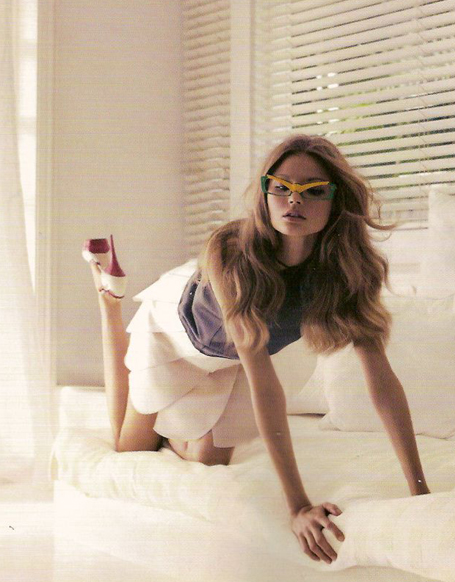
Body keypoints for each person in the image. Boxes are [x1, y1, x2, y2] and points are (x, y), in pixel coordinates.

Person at [84, 134, 435, 566]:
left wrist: (421, 491)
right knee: (128, 450)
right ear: (265, 193)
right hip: (176, 333)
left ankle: (175, 424)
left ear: (336, 200)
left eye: (313, 190)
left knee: (208, 462)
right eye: (281, 187)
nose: (294, 199)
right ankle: (109, 301)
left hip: (230, 356)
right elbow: (264, 383)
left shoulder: (346, 271)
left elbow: (382, 384)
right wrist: (298, 506)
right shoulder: (231, 251)